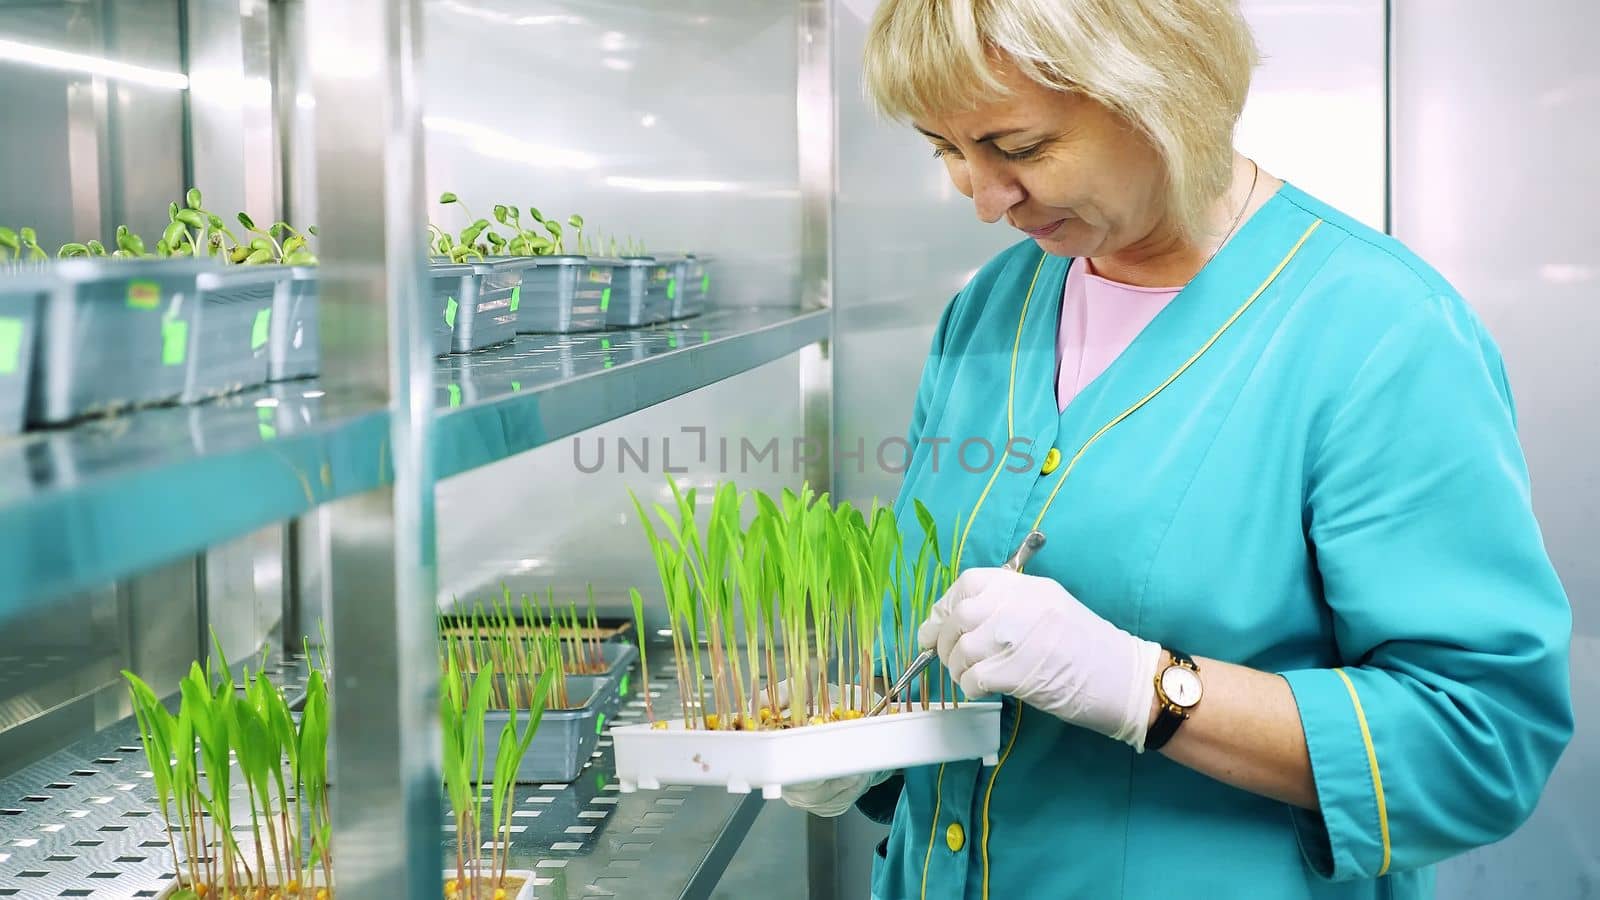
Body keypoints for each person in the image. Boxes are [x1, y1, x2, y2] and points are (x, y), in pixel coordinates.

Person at [776, 2, 1574, 898]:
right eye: (946, 150)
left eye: (1022, 147)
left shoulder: (1379, 336)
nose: (984, 198)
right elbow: (931, 634)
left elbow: (1480, 741)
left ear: (1165, 96)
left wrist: (1148, 690)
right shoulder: (990, 311)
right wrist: (860, 741)